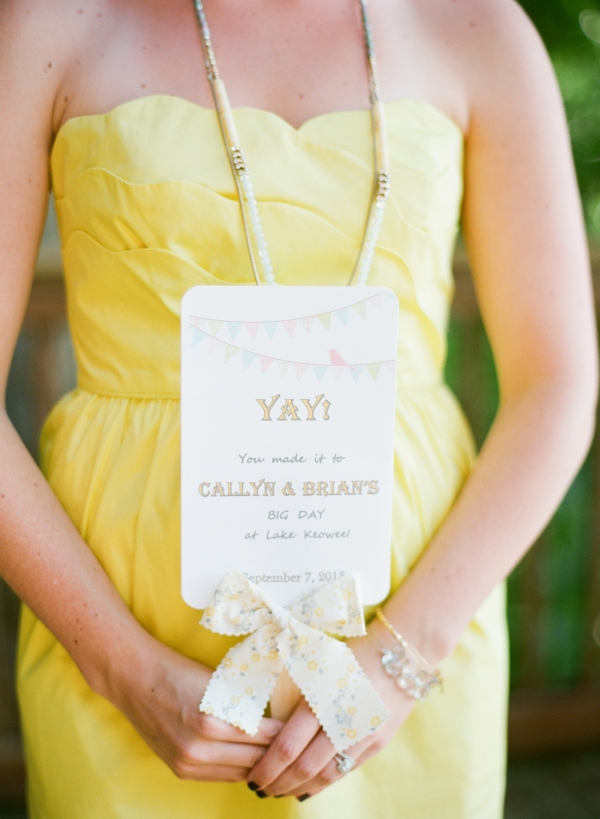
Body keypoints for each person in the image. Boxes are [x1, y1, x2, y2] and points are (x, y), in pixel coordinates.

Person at [0, 0, 596, 816]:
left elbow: (556, 384)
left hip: (408, 633)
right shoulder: (48, 22)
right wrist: (122, 667)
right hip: (118, 634)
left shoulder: (479, 29)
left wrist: (400, 658)